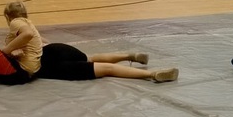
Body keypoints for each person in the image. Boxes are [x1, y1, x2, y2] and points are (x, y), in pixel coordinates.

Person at [36, 43, 178, 83]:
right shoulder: (29, 26)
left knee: (107, 69)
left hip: (49, 65)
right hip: (53, 49)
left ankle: (152, 74)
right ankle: (130, 56)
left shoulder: (23, 35)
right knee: (90, 58)